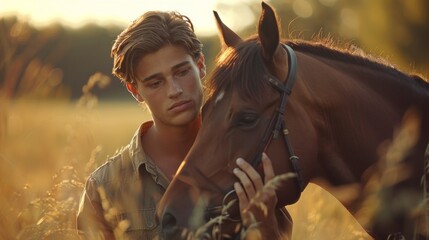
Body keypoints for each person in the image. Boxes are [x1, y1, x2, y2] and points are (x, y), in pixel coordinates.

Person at [76, 10, 291, 239]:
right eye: (156, 82)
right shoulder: (104, 188)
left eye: (182, 72)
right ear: (135, 91)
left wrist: (266, 228)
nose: (175, 90)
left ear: (200, 65)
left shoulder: (247, 159)